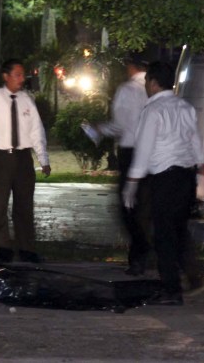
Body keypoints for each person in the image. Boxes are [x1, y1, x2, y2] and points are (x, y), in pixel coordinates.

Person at [122, 61, 204, 306]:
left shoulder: (153, 111)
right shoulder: (185, 107)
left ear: (152, 82)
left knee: (164, 235)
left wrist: (131, 182)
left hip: (165, 178)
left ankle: (171, 289)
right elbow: (194, 143)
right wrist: (200, 175)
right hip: (185, 177)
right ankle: (190, 279)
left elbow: (144, 150)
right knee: (178, 230)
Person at [81, 54, 151, 275]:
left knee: (128, 208)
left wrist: (99, 129)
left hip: (131, 153)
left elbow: (120, 125)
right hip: (154, 155)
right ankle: (144, 257)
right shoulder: (155, 90)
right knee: (145, 207)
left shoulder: (127, 90)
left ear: (131, 67)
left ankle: (140, 255)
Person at [0, 59, 51, 263]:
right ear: (5, 76)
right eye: (17, 74)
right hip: (0, 156)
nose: (22, 79)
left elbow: (36, 130)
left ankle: (26, 248)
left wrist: (43, 158)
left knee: (24, 205)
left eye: (23, 75)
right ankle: (2, 246)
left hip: (23, 158)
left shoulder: (26, 100)